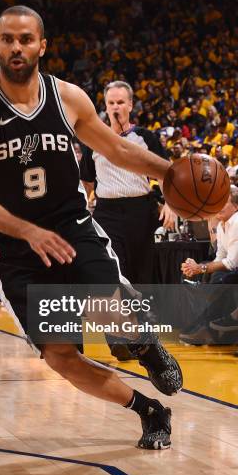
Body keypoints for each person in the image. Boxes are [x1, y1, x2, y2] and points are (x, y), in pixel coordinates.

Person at [0, 5, 182, 450]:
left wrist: (170, 172)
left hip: (73, 226)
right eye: (7, 39)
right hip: (16, 247)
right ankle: (148, 409)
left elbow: (116, 149)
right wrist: (28, 232)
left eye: (25, 38)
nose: (16, 47)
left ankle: (146, 345)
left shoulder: (68, 97)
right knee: (62, 356)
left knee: (112, 307)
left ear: (43, 44)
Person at [80, 80, 176, 361]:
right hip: (107, 211)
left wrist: (169, 203)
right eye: (111, 103)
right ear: (105, 106)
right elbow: (86, 178)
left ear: (131, 105)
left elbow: (167, 173)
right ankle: (117, 339)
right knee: (112, 275)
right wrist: (85, 202)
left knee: (141, 274)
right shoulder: (93, 140)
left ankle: (144, 340)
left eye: (121, 102)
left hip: (141, 209)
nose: (115, 107)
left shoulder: (145, 137)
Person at [180, 186, 238, 343]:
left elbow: (231, 262)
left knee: (222, 281)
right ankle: (209, 330)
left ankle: (207, 328)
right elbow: (220, 256)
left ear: (235, 206)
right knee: (218, 276)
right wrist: (199, 269)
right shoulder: (221, 225)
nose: (218, 206)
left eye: (223, 202)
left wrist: (200, 268)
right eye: (216, 203)